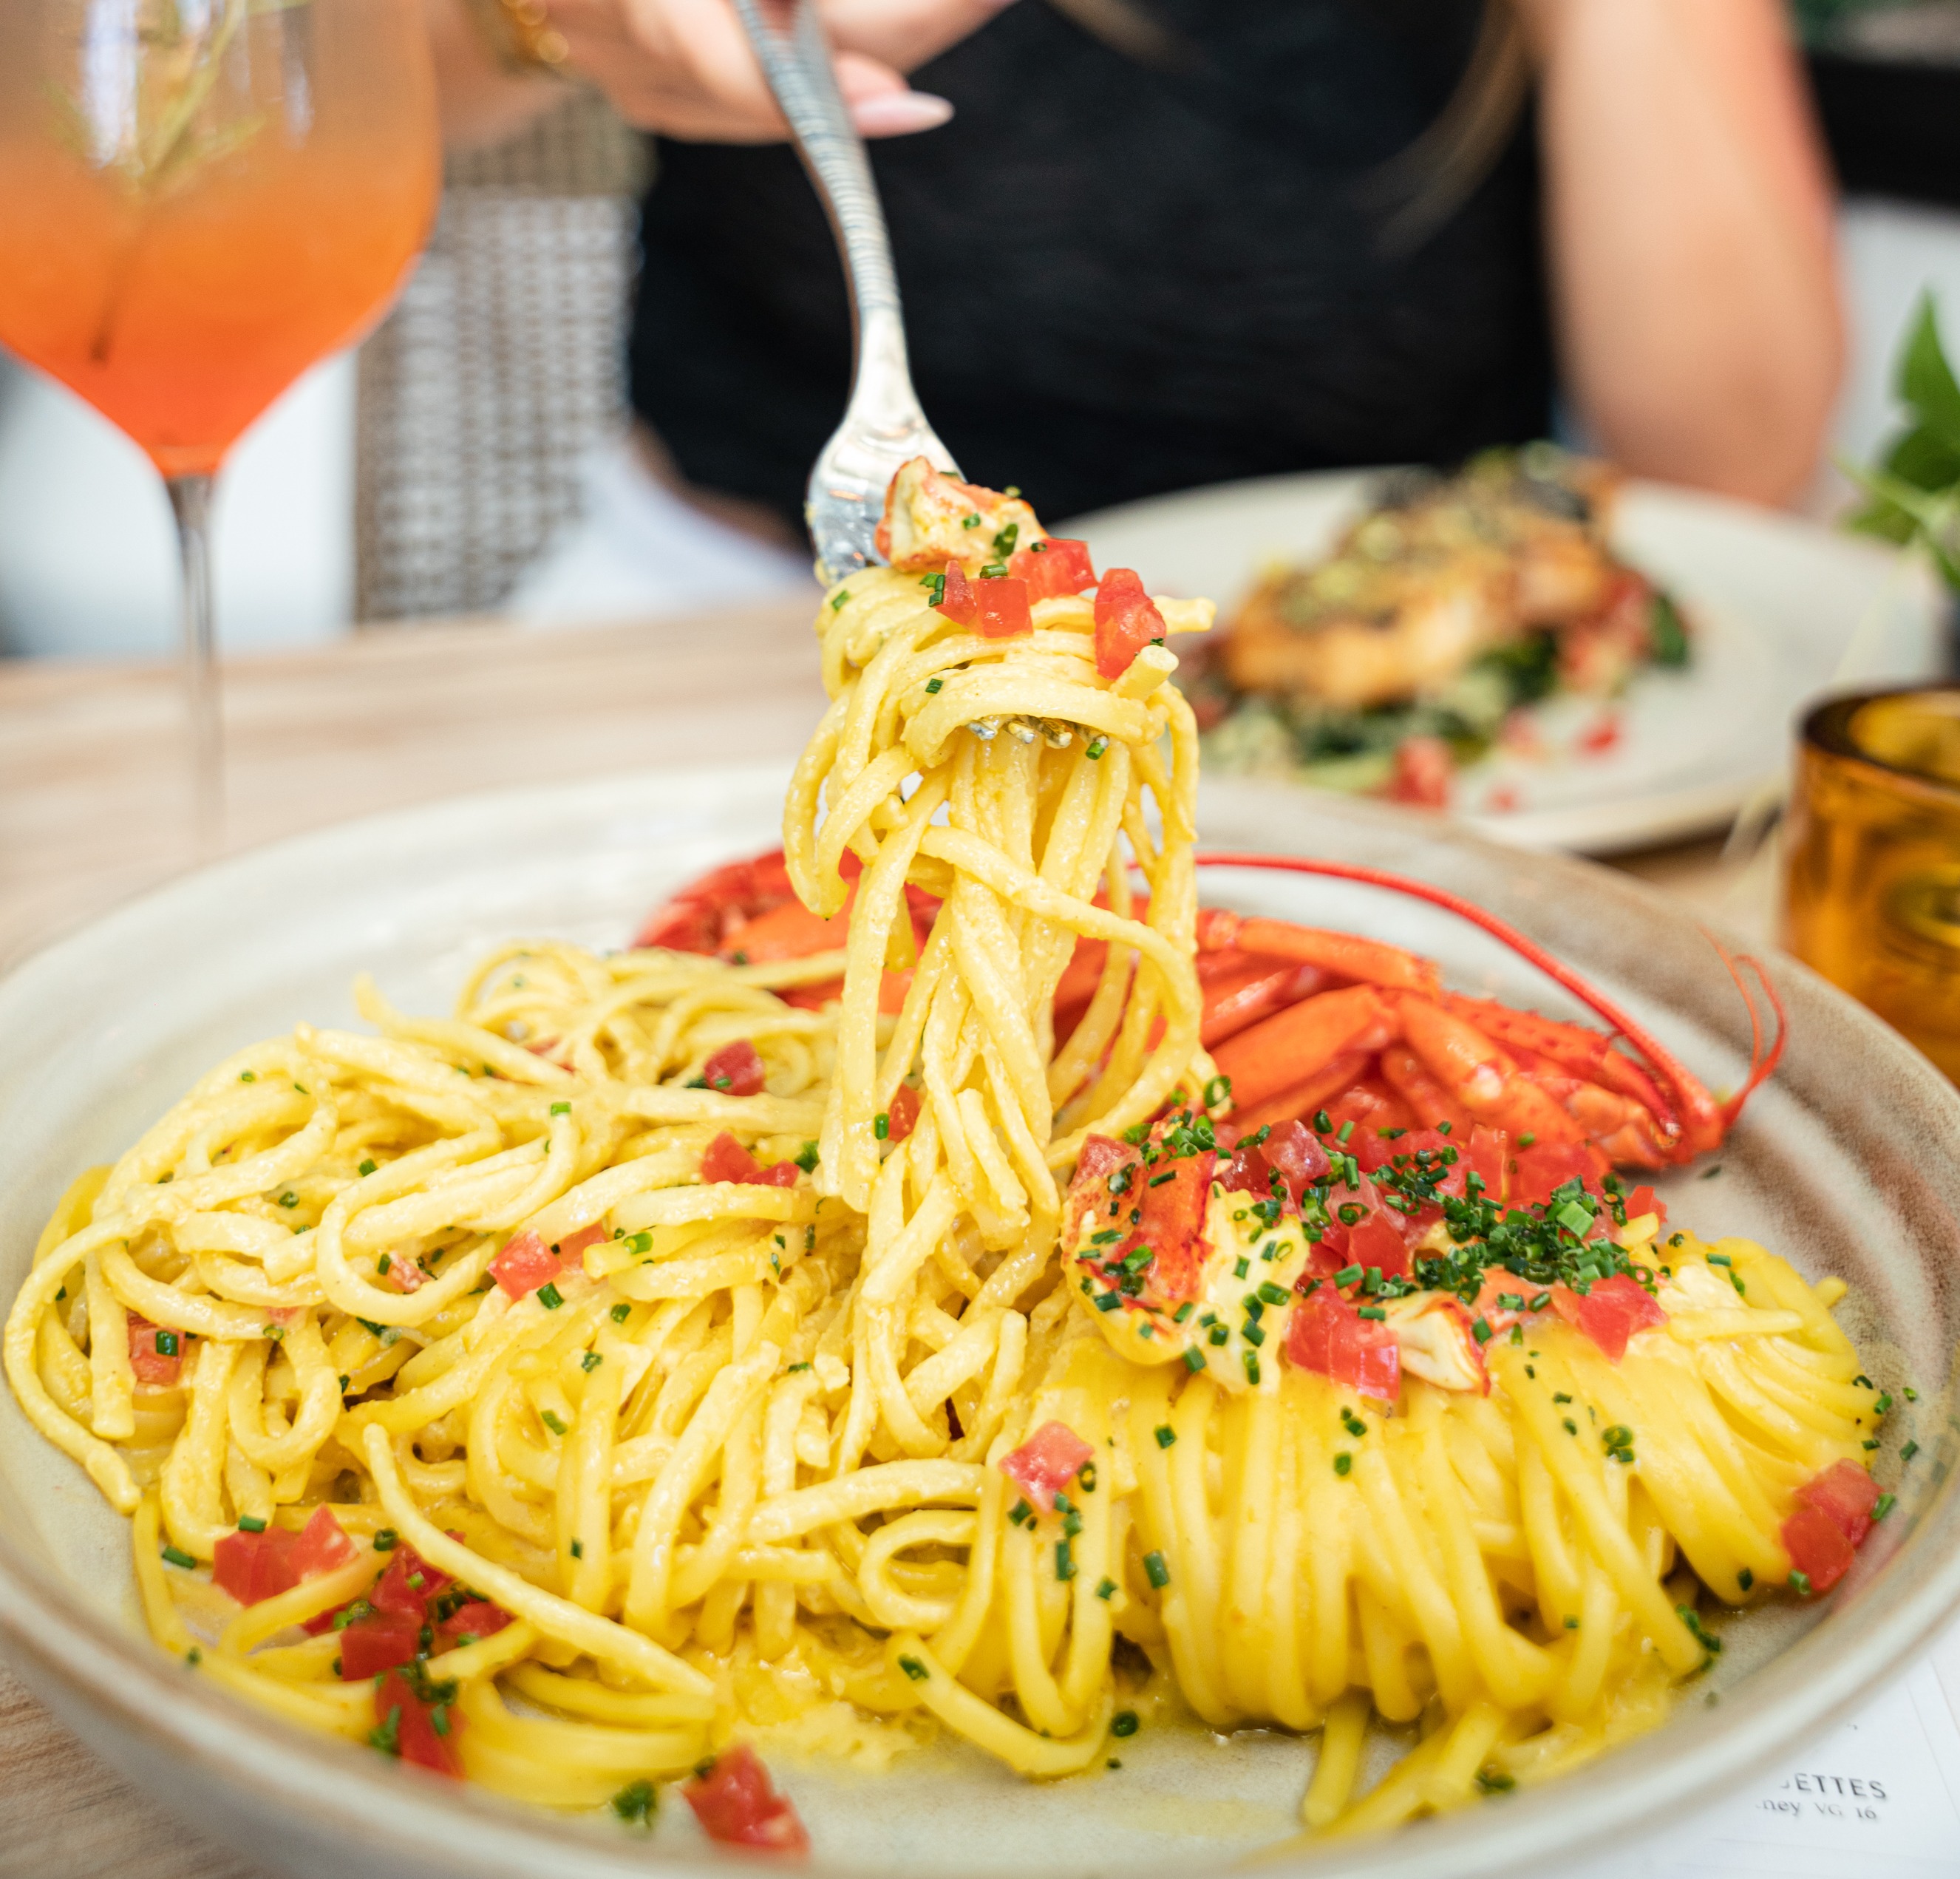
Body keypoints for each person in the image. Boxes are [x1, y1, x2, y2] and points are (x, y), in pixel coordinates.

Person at [429, 0, 1843, 561]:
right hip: (728, 613)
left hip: (1396, 727)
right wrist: (533, 19)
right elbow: (357, 98)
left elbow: (1733, 455)